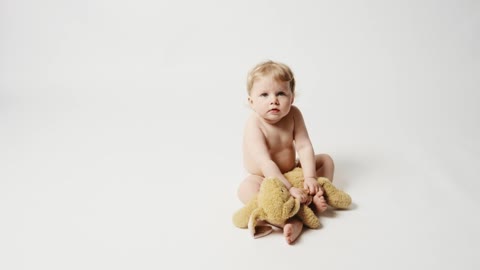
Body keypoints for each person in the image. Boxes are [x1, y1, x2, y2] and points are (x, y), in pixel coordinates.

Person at [237, 60, 335, 244]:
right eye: (264, 95)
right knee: (245, 189)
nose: (273, 99)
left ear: (291, 98)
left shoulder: (294, 115)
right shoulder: (254, 124)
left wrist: (310, 178)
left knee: (326, 161)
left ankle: (314, 195)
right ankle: (288, 220)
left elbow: (304, 147)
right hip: (266, 179)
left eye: (280, 93)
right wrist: (289, 189)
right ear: (251, 102)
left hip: (291, 172)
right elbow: (265, 163)